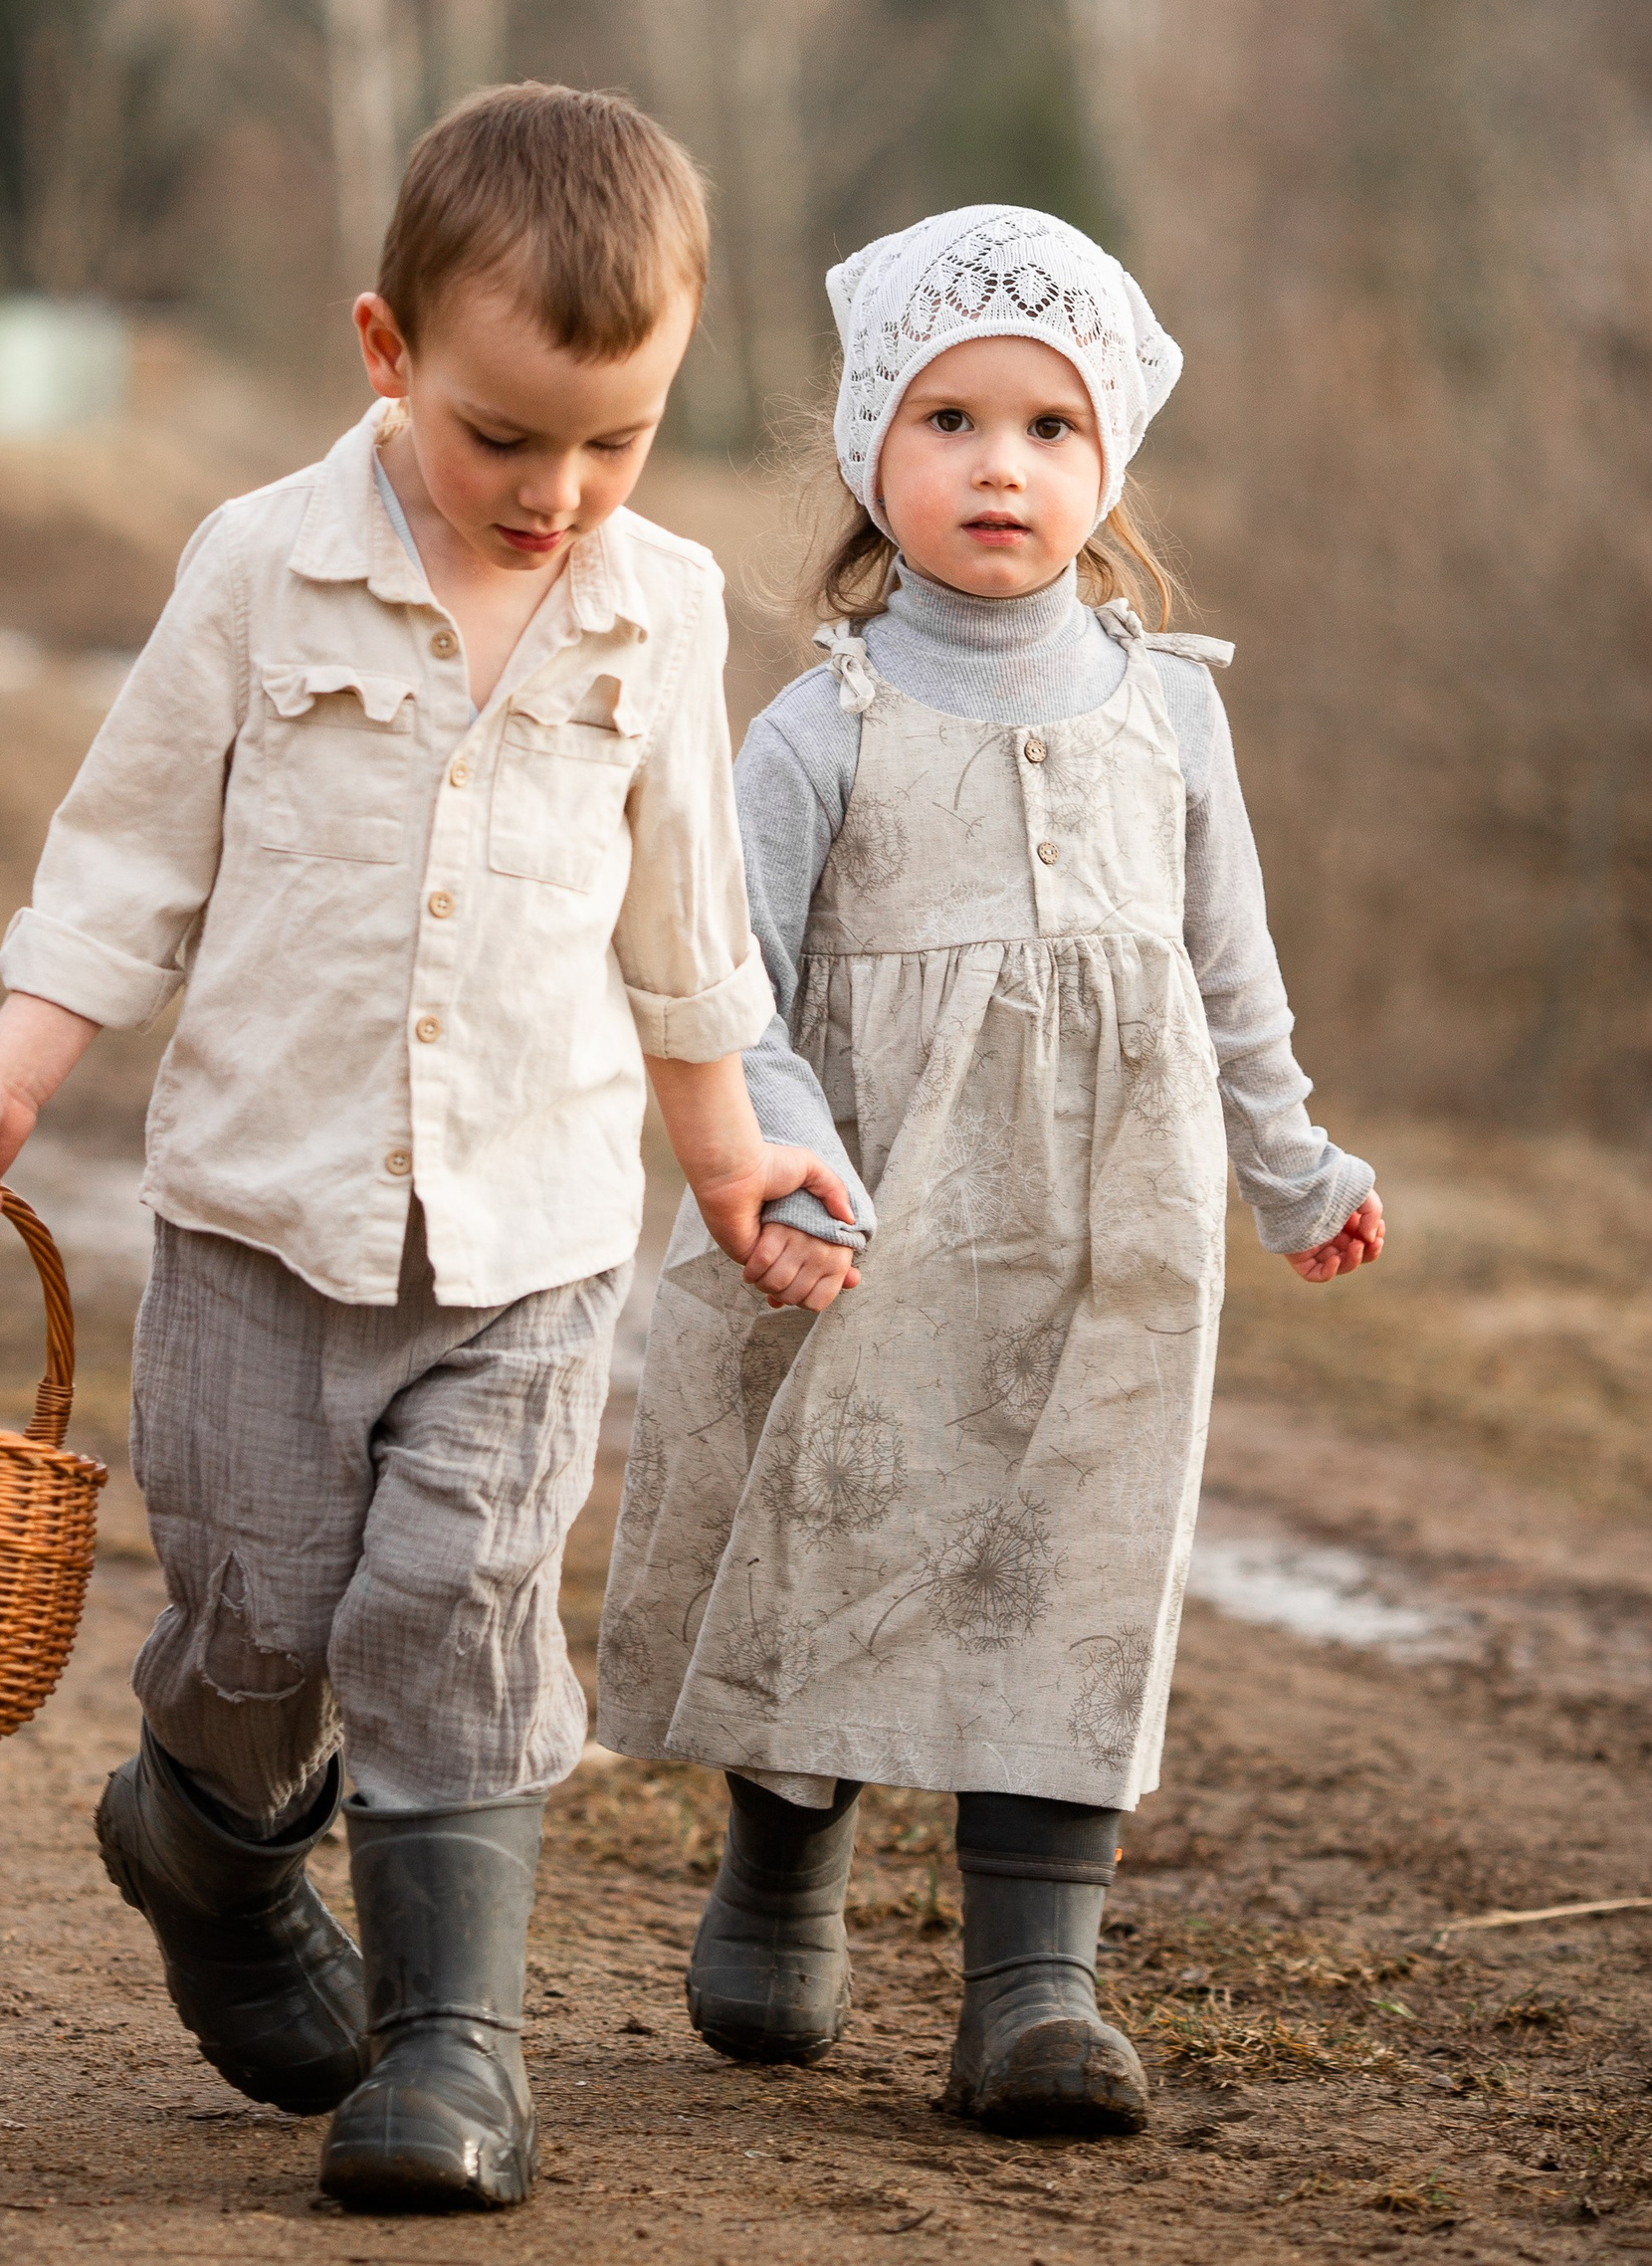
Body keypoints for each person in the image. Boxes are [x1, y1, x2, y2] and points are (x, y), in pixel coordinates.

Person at [0, 84, 862, 2213]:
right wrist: (10, 1070)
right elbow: (125, 860)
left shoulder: (658, 606)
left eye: (614, 438)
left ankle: (454, 2052)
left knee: (454, 1602)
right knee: (255, 1625)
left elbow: (682, 926)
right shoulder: (261, 566)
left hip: (526, 1235)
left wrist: (729, 1163)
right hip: (261, 1221)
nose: (557, 491)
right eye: (503, 435)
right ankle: (206, 1853)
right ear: (382, 350)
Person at [597, 204, 1384, 2140]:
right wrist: (775, 1159)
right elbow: (727, 984)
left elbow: (1229, 976)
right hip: (870, 1230)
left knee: (1076, 1567)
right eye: (946, 421)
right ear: (871, 451)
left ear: (1104, 462)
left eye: (1046, 428)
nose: (996, 466)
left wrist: (1289, 1163)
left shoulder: (1167, 709)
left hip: (1116, 1243)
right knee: (838, 1539)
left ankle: (1036, 1983)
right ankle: (780, 1871)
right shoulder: (816, 724)